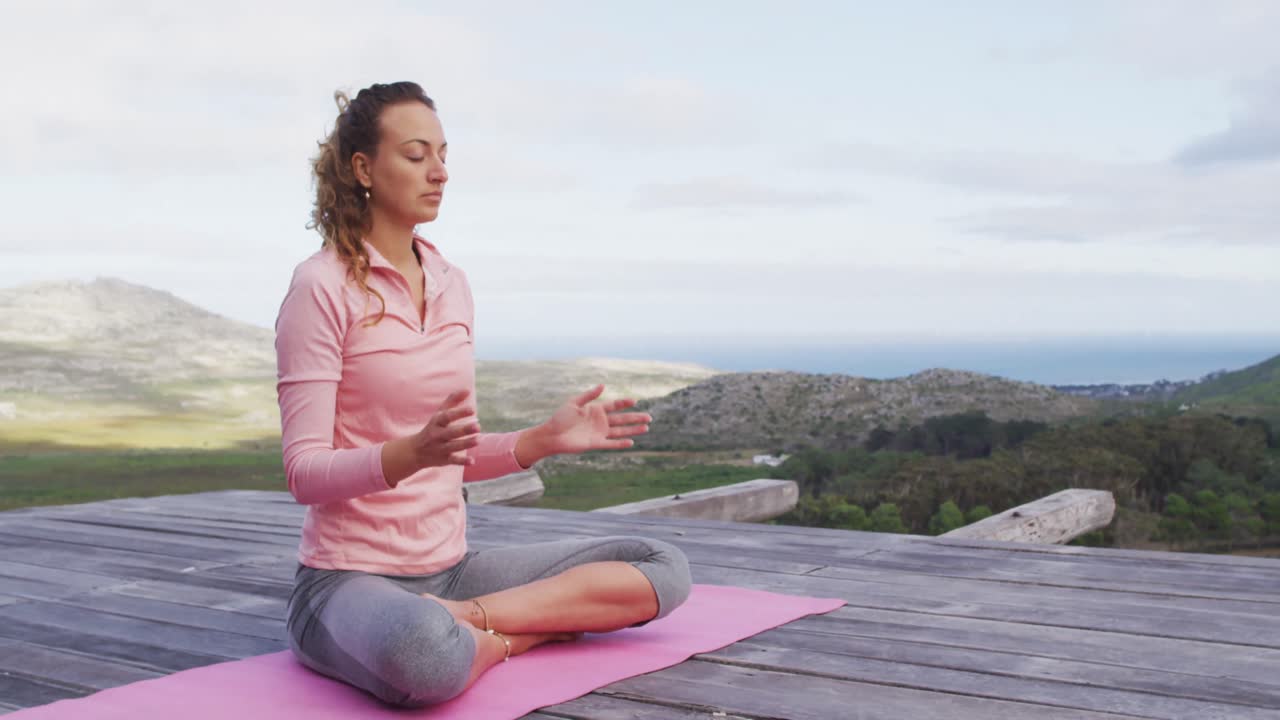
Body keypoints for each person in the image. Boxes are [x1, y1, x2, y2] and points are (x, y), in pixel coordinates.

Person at [273, 81, 692, 708]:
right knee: (425, 653)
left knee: (661, 564)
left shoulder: (451, 284)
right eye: (416, 155)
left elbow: (455, 451)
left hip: (454, 571)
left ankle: (472, 616)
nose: (438, 172)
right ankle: (518, 633)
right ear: (363, 168)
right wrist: (409, 454)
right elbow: (304, 473)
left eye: (443, 154)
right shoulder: (320, 287)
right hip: (346, 582)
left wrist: (540, 441)